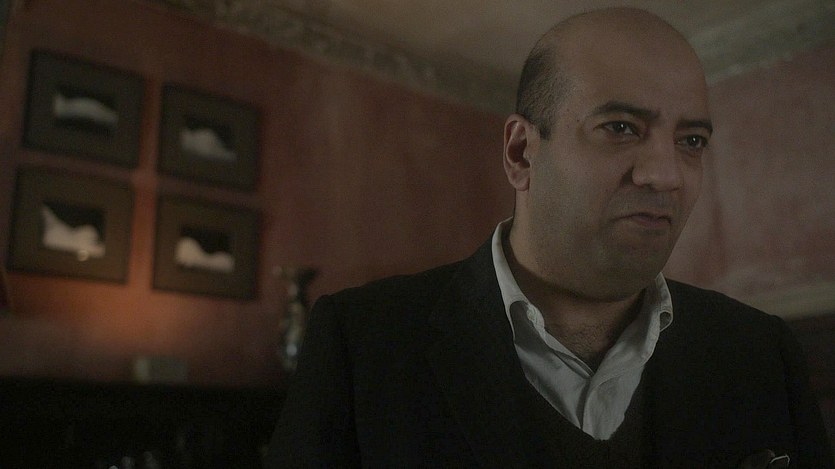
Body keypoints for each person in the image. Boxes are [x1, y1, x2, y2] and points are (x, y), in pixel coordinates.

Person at [266, 7, 833, 468]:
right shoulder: (362, 347)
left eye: (691, 141)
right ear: (521, 153)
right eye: (620, 128)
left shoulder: (763, 352)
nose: (665, 175)